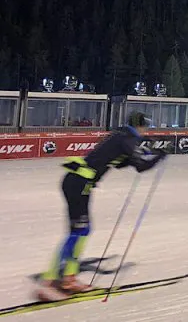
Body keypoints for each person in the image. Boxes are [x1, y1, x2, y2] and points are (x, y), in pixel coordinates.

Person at [37, 112, 166, 301]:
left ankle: (65, 278)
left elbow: (122, 162)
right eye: (144, 127)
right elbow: (140, 166)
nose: (145, 131)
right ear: (139, 126)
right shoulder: (128, 139)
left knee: (81, 231)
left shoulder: (119, 135)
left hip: (78, 183)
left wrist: (151, 152)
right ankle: (53, 280)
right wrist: (160, 155)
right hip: (79, 184)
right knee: (78, 233)